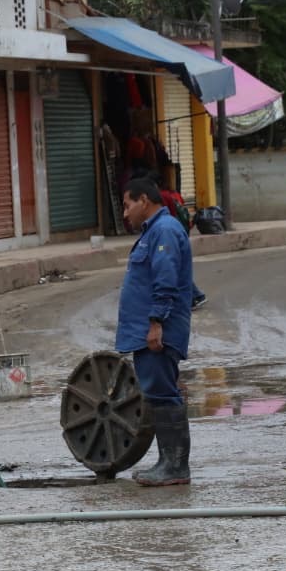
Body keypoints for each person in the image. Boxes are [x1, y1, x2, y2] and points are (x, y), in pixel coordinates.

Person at [117, 177, 193, 486]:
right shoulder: (159, 231)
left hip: (157, 332)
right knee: (159, 392)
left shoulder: (163, 231)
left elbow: (165, 279)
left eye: (127, 205)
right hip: (150, 329)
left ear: (144, 201)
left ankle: (175, 467)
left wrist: (156, 322)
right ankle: (168, 462)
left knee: (163, 394)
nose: (125, 213)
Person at [155, 176, 208, 310]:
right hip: (180, 232)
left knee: (173, 266)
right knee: (176, 266)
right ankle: (195, 296)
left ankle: (196, 296)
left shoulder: (161, 197)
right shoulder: (173, 194)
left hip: (169, 238)